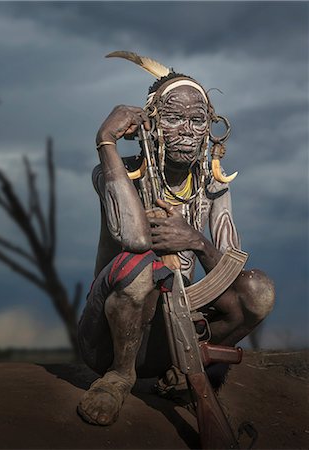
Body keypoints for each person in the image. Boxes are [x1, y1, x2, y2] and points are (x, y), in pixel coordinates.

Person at [77, 52, 275, 426]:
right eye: (173, 117)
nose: (186, 129)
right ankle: (119, 377)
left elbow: (233, 270)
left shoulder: (212, 184)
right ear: (150, 124)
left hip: (173, 335)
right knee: (139, 268)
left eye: (197, 119)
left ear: (211, 127)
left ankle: (192, 368)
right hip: (107, 337)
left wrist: (197, 241)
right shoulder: (115, 173)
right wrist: (106, 141)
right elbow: (135, 239)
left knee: (259, 291)